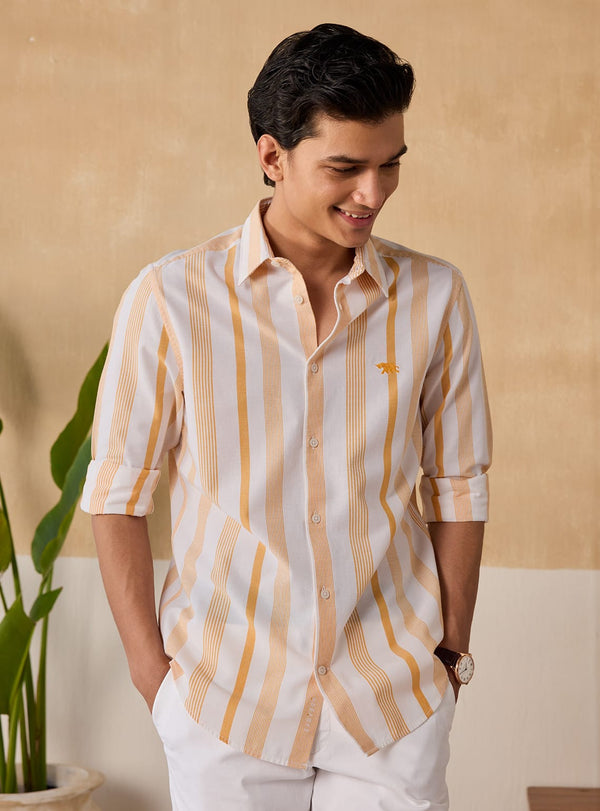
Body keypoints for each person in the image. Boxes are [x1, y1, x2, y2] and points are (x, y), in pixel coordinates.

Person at [82, 22, 492, 811]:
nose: (373, 193)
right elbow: (117, 493)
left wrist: (450, 655)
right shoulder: (170, 300)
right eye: (345, 167)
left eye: (390, 164)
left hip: (391, 703)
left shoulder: (435, 297)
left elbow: (458, 486)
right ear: (272, 156)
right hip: (225, 703)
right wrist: (153, 678)